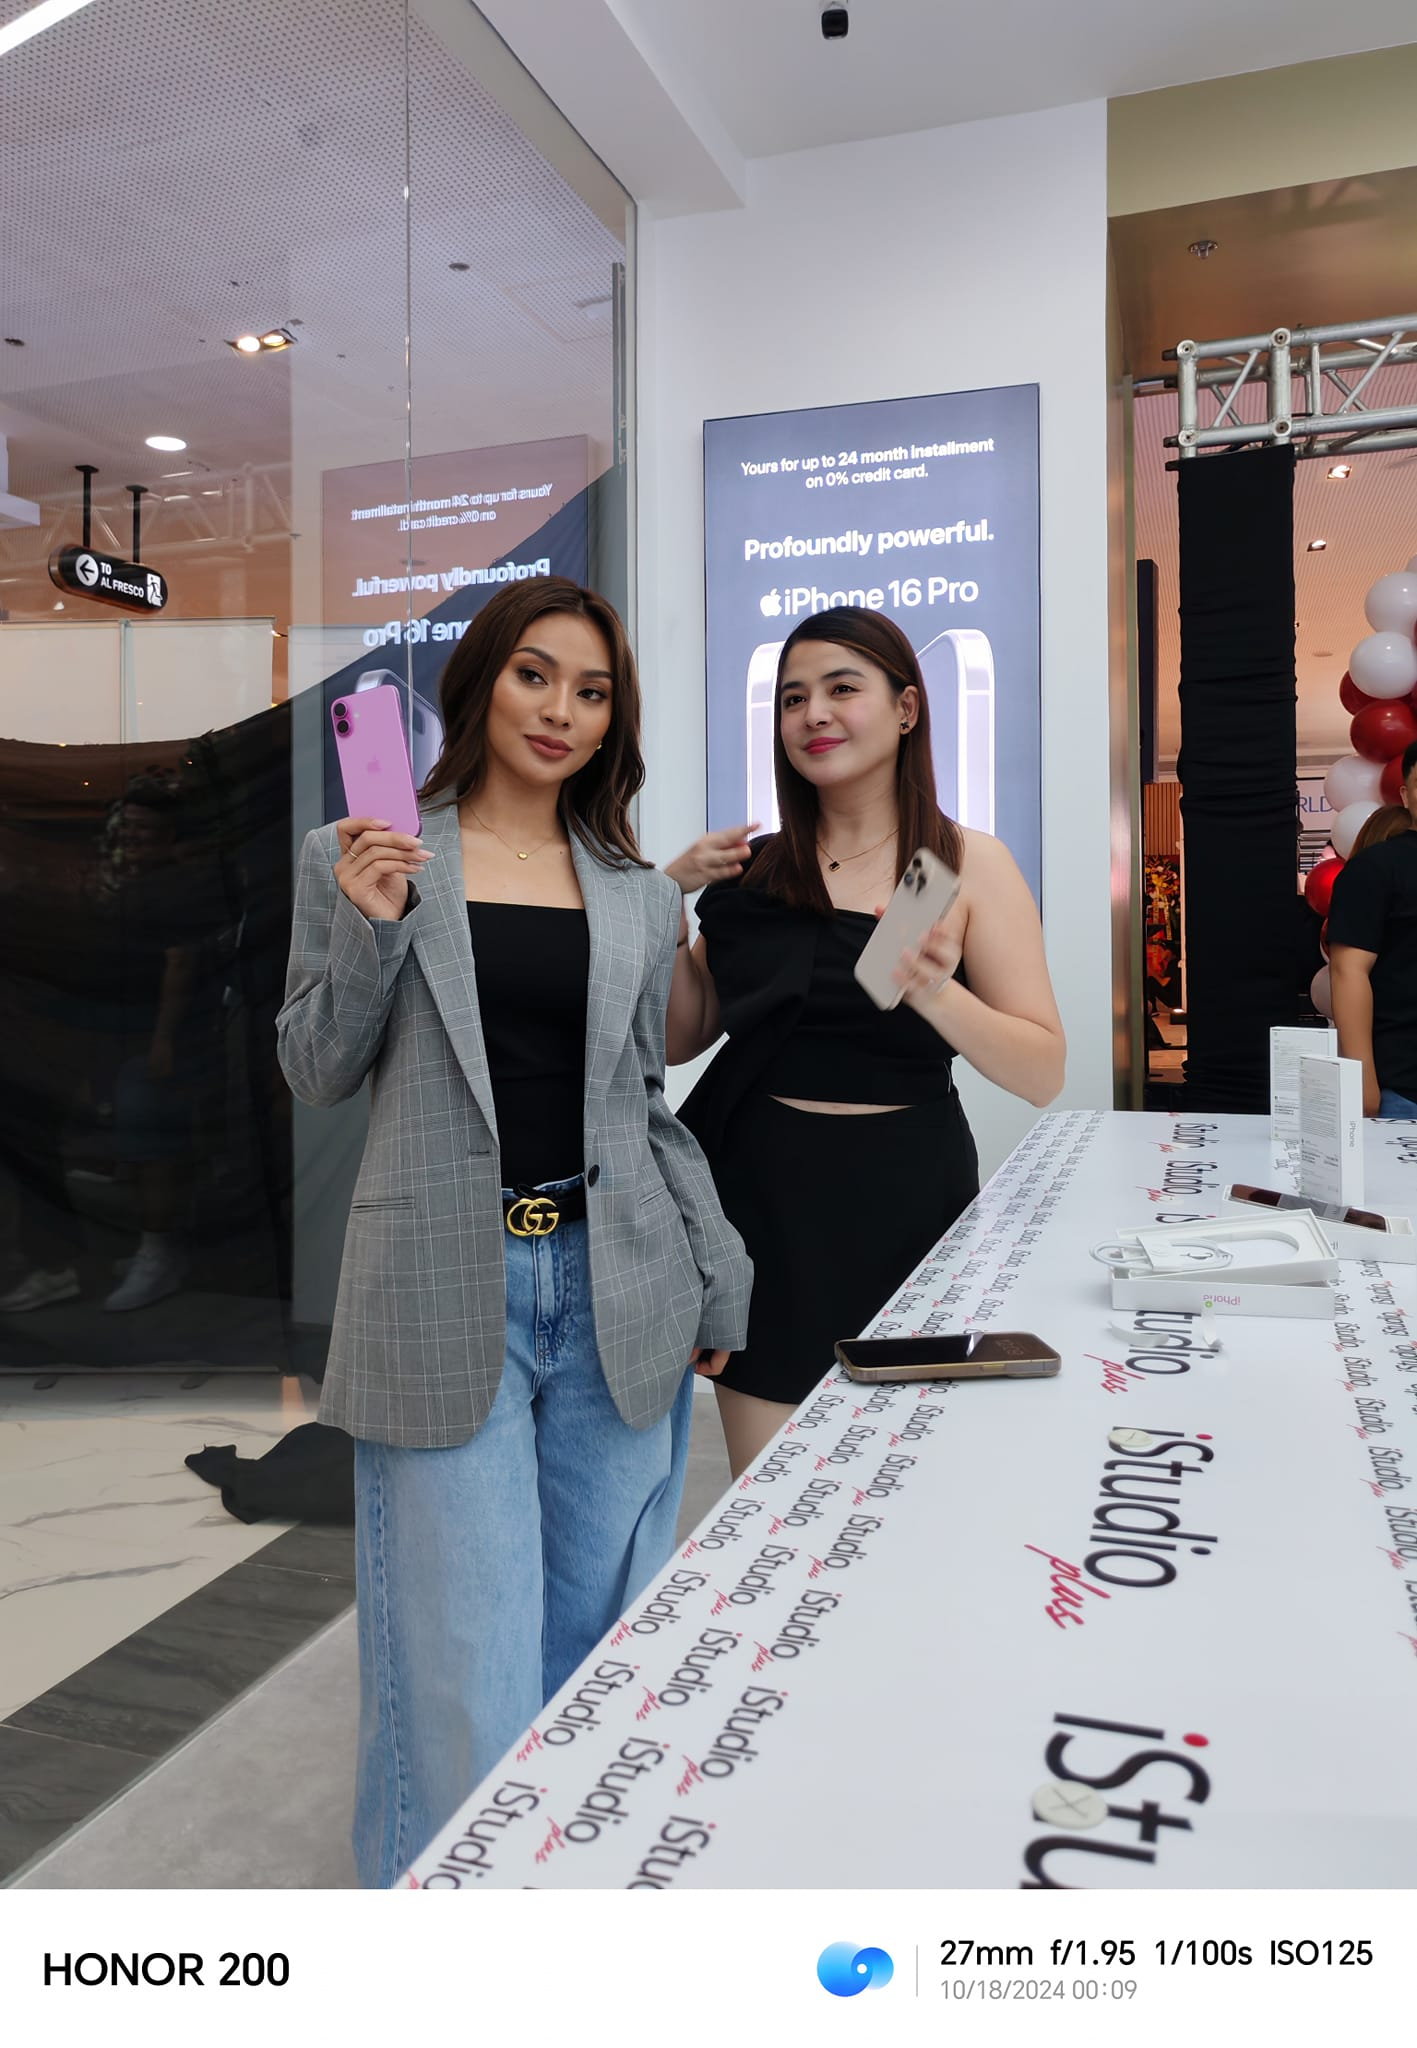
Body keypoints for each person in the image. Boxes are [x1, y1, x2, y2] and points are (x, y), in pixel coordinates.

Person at [277, 579, 751, 1888]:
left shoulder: (637, 895)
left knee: (596, 1647)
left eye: (591, 691)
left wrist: (717, 1271)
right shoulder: (366, 855)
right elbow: (316, 1069)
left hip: (618, 1282)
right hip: (444, 1286)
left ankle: (558, 1898)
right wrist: (372, 929)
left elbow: (643, 1103)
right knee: (461, 1660)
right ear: (481, 680)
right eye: (535, 674)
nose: (560, 710)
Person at [664, 606, 1065, 1477]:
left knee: (906, 1484)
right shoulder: (756, 871)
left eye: (841, 688)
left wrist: (932, 991)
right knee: (770, 1496)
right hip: (760, 1204)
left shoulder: (955, 863)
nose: (813, 714)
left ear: (907, 708)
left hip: (907, 1199)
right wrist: (659, 910)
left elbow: (1041, 1071)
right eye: (792, 698)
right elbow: (678, 1039)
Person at [1328, 742, 1417, 1117]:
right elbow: (1348, 971)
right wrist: (1363, 1083)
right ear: (1406, 795)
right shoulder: (1377, 867)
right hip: (1406, 1090)